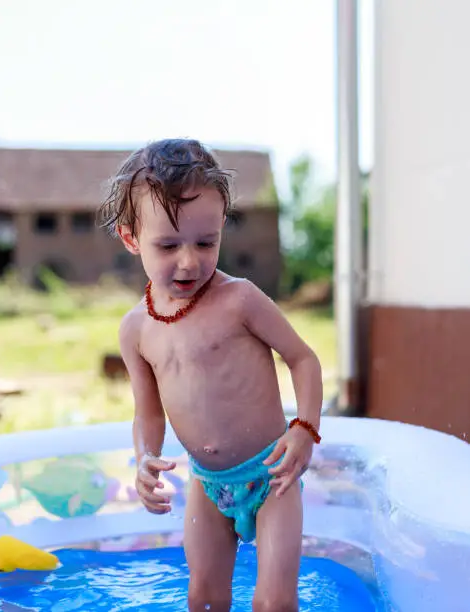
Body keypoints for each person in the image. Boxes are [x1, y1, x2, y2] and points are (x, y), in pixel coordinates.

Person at [99, 139, 323, 612]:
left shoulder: (239, 300)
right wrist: (145, 458)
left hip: (271, 475)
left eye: (206, 242)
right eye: (168, 245)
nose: (190, 260)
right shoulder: (136, 329)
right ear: (130, 238)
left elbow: (303, 359)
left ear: (222, 228)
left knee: (274, 602)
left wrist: (304, 429)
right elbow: (148, 412)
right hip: (207, 483)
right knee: (202, 596)